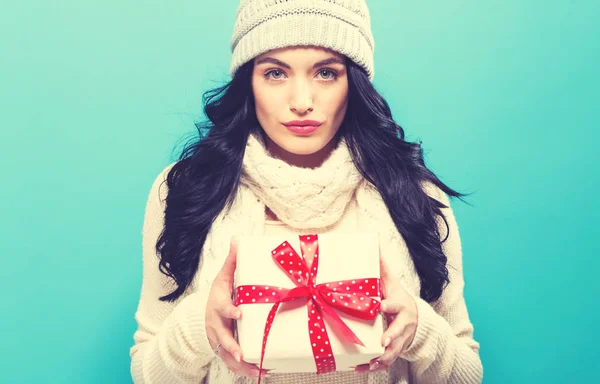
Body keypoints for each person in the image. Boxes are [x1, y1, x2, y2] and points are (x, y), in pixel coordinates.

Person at [129, 0, 483, 383]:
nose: (302, 102)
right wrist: (201, 323)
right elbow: (147, 373)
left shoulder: (413, 192)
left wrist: (419, 329)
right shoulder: (186, 187)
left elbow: (468, 375)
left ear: (355, 82)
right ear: (249, 81)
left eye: (327, 73)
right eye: (276, 73)